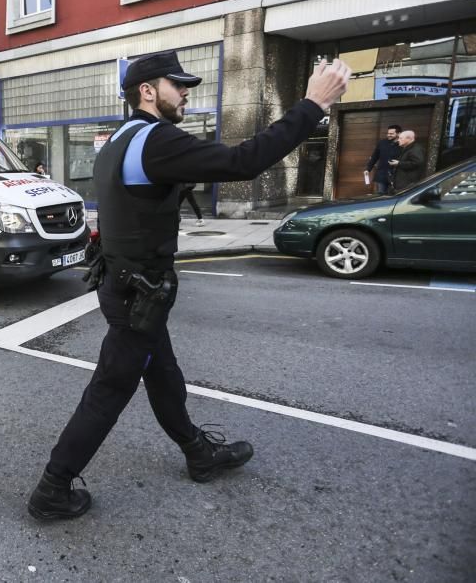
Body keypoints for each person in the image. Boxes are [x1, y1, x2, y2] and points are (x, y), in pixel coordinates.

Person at [26, 51, 350, 521]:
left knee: (163, 373)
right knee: (110, 389)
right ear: (147, 91)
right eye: (177, 85)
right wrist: (312, 105)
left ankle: (197, 452)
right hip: (139, 292)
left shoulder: (119, 139)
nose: (186, 92)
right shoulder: (156, 140)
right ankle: (52, 489)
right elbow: (245, 161)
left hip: (127, 286)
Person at [365, 125, 401, 195]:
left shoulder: (402, 144)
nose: (388, 135)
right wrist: (368, 169)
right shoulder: (382, 143)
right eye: (388, 133)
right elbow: (374, 156)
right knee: (380, 197)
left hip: (396, 177)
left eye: (391, 134)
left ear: (398, 133)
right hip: (381, 175)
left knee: (394, 197)